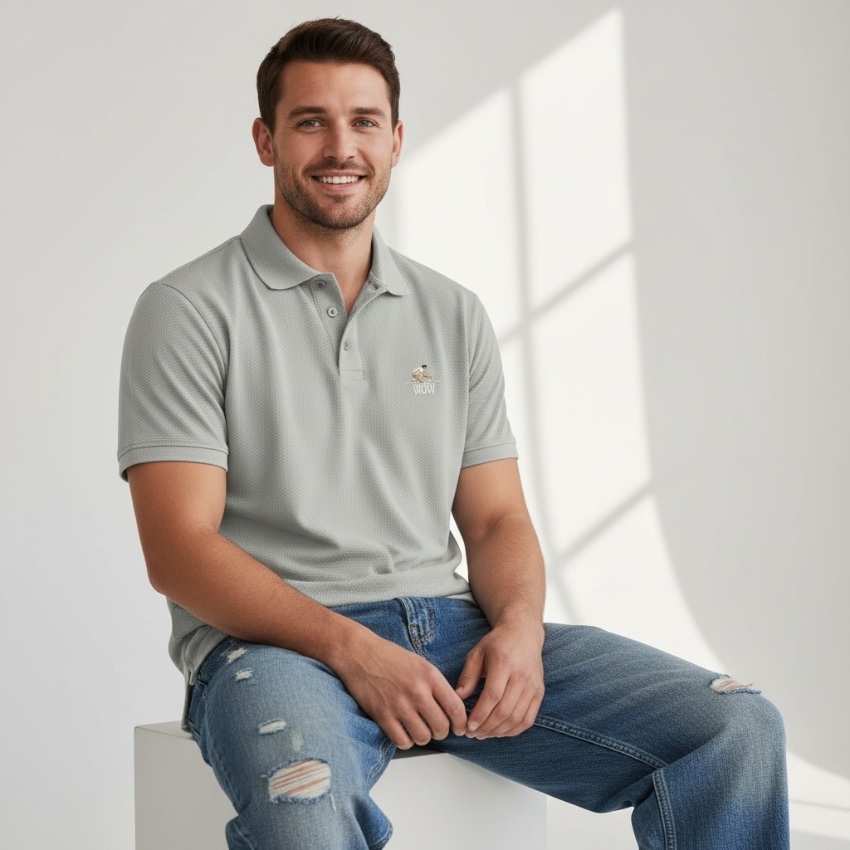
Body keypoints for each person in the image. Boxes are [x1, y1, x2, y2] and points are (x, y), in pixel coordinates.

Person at [118, 17, 790, 849]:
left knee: (735, 728)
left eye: (364, 121)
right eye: (311, 121)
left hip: (450, 630)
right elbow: (178, 548)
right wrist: (353, 650)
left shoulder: (451, 312)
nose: (341, 147)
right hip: (275, 647)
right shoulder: (187, 309)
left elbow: (498, 519)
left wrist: (520, 632)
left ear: (395, 142)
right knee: (304, 799)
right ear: (266, 140)